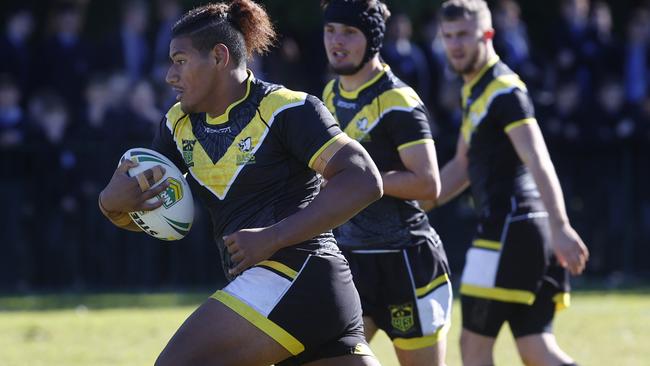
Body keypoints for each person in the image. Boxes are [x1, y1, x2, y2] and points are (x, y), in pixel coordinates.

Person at [97, 1, 384, 365]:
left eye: (180, 61)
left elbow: (364, 179)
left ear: (219, 57)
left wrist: (273, 236)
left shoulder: (287, 109)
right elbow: (149, 209)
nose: (170, 75)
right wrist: (110, 202)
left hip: (299, 275)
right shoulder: (177, 125)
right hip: (294, 300)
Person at [431, 1, 590, 365]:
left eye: (463, 36)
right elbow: (460, 166)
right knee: (536, 348)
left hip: (509, 229)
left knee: (473, 348)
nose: (455, 45)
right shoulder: (474, 89)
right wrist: (415, 200)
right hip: (526, 230)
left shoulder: (504, 90)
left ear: (487, 35)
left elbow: (537, 158)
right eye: (448, 37)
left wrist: (562, 225)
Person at [321, 1, 452, 365]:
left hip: (406, 262)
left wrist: (363, 180)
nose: (337, 41)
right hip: (352, 260)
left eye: (349, 32)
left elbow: (428, 184)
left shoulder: (397, 100)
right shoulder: (331, 95)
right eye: (330, 30)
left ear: (373, 38)